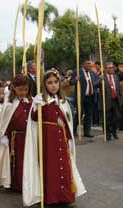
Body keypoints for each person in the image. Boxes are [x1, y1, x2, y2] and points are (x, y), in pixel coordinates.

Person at [23, 69, 86, 207]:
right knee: (51, 168)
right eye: (49, 82)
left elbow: (67, 122)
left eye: (56, 82)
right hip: (48, 141)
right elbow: (33, 120)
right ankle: (51, 197)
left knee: (64, 167)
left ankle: (66, 196)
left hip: (61, 139)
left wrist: (69, 138)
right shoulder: (40, 100)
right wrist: (36, 107)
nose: (53, 85)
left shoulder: (62, 101)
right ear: (44, 84)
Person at [0, 75, 32, 191]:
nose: (23, 92)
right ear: (13, 88)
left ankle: (28, 183)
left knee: (28, 161)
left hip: (28, 137)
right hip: (15, 138)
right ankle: (17, 184)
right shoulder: (9, 104)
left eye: (25, 90)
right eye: (20, 90)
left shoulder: (29, 102)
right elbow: (4, 123)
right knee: (17, 162)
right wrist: (4, 136)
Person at [70, 59, 101, 138]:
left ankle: (87, 132)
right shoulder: (77, 72)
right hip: (81, 97)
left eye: (90, 64)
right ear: (83, 64)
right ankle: (73, 131)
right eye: (88, 64)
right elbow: (71, 82)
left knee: (89, 115)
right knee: (79, 115)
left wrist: (101, 79)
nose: (89, 65)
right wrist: (75, 79)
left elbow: (98, 81)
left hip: (91, 97)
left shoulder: (92, 73)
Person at [103, 62, 123, 140]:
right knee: (107, 118)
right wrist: (100, 79)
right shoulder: (103, 77)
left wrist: (120, 99)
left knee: (117, 117)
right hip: (107, 101)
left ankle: (114, 131)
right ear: (106, 69)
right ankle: (107, 133)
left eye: (112, 67)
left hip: (116, 100)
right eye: (110, 68)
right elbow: (95, 84)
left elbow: (118, 89)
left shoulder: (116, 77)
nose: (112, 69)